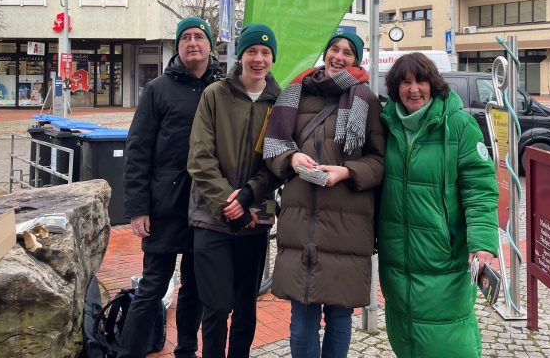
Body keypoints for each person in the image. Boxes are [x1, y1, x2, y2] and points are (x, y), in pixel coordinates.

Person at [263, 30, 385, 358]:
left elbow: (379, 162)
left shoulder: (367, 99)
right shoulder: (296, 93)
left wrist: (347, 171)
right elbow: (273, 147)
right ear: (326, 53)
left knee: (339, 314)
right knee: (301, 315)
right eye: (334, 49)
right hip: (302, 221)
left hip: (347, 223)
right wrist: (291, 157)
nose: (339, 57)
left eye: (348, 52)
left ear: (356, 61)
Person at [378, 52, 499, 358]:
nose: (413, 89)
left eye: (420, 81)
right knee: (404, 338)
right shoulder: (385, 126)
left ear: (434, 84)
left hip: (442, 259)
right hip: (396, 258)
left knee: (449, 341)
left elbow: (480, 191)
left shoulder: (459, 126)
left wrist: (482, 243)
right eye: (405, 82)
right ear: (395, 89)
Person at [120, 17, 221, 358]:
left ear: (209, 44)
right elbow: (137, 150)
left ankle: (187, 351)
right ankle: (128, 352)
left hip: (204, 207)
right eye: (186, 37)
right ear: (178, 47)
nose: (193, 42)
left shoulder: (221, 89)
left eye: (199, 36)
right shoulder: (158, 89)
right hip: (164, 206)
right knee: (152, 287)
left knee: (194, 288)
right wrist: (137, 208)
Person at [187, 23, 282, 358]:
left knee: (246, 306)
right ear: (240, 55)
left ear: (272, 59)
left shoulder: (280, 101)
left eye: (265, 53)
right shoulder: (215, 94)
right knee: (215, 306)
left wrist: (248, 196)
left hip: (256, 216)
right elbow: (199, 157)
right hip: (212, 218)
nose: (258, 59)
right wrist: (226, 201)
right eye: (252, 51)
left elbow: (278, 162)